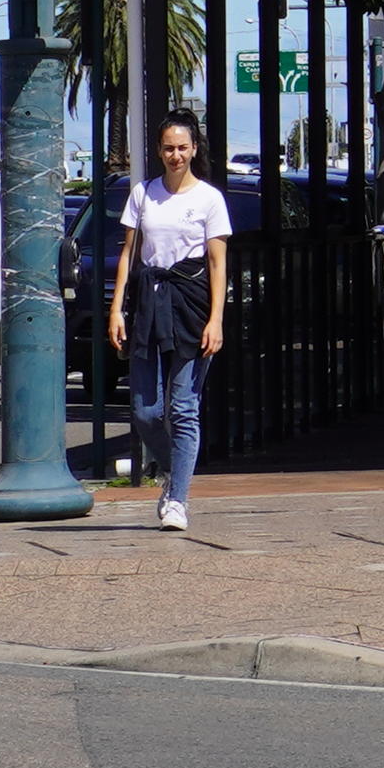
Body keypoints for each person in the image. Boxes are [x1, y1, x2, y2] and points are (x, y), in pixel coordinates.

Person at [104, 113, 232, 532]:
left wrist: (216, 319)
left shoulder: (210, 199)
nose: (175, 155)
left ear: (194, 149)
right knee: (145, 411)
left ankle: (177, 499)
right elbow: (128, 253)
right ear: (159, 151)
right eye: (168, 148)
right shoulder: (143, 194)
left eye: (182, 147)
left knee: (183, 408)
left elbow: (217, 262)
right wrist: (116, 308)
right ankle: (172, 473)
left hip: (192, 305)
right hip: (149, 303)